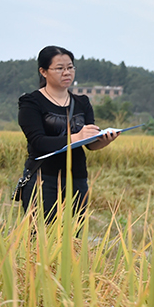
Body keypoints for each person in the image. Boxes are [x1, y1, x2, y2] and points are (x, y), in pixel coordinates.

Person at [17, 46, 118, 223]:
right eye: (60, 68)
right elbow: (38, 142)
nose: (67, 73)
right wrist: (77, 136)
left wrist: (103, 140)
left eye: (70, 67)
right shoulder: (31, 102)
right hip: (43, 180)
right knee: (41, 240)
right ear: (43, 71)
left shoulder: (82, 102)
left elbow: (89, 144)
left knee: (73, 241)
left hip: (76, 180)